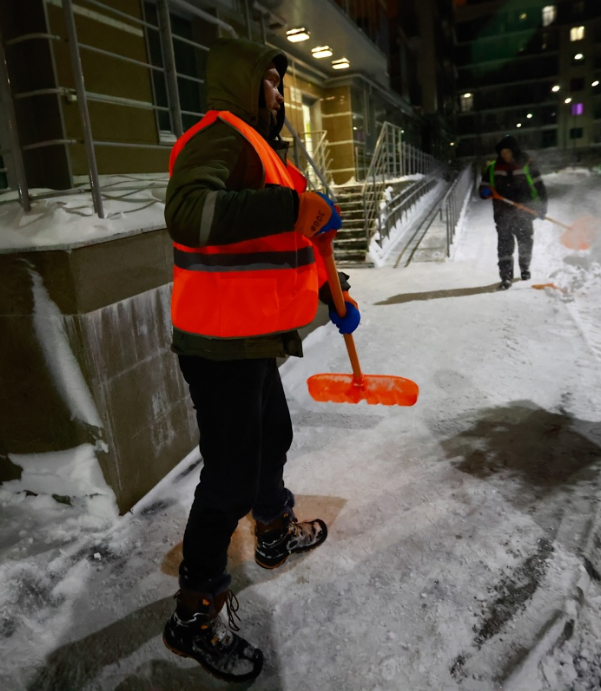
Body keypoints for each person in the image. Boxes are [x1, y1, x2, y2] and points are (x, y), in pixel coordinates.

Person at [161, 38, 360, 682]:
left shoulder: (261, 150)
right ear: (245, 86)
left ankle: (272, 531)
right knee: (228, 481)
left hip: (250, 343)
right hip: (218, 349)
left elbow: (288, 247)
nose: (279, 94)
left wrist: (335, 295)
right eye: (272, 84)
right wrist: (291, 206)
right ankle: (194, 614)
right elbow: (187, 212)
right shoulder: (218, 136)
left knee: (274, 435)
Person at [478, 135, 548, 290]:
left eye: (507, 152)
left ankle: (524, 268)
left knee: (525, 241)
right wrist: (486, 191)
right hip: (502, 213)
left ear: (514, 151)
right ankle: (506, 276)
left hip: (524, 211)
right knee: (504, 245)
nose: (504, 155)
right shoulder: (493, 168)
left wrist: (542, 208)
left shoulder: (527, 165)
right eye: (502, 152)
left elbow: (540, 188)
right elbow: (482, 190)